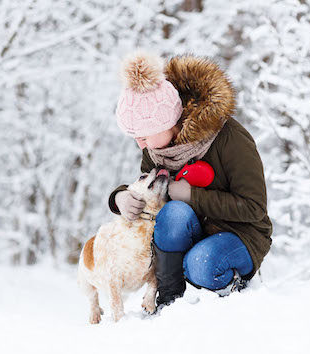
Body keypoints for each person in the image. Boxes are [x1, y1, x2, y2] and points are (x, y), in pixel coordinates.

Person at [109, 51, 273, 308]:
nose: (139, 143)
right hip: (193, 232)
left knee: (201, 263)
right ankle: (170, 302)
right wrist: (120, 197)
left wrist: (191, 196)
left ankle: (230, 295)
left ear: (168, 121)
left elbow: (254, 208)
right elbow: (147, 188)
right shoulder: (157, 148)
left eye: (143, 134)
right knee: (173, 214)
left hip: (240, 233)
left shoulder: (230, 139)